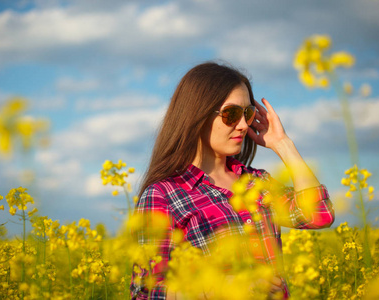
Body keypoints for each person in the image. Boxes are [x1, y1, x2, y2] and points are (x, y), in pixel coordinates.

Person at [130, 62, 335, 299]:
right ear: (197, 114)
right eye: (231, 114)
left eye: (247, 114)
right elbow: (145, 292)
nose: (242, 125)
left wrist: (283, 144)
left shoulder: (257, 182)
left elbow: (319, 215)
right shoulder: (163, 195)